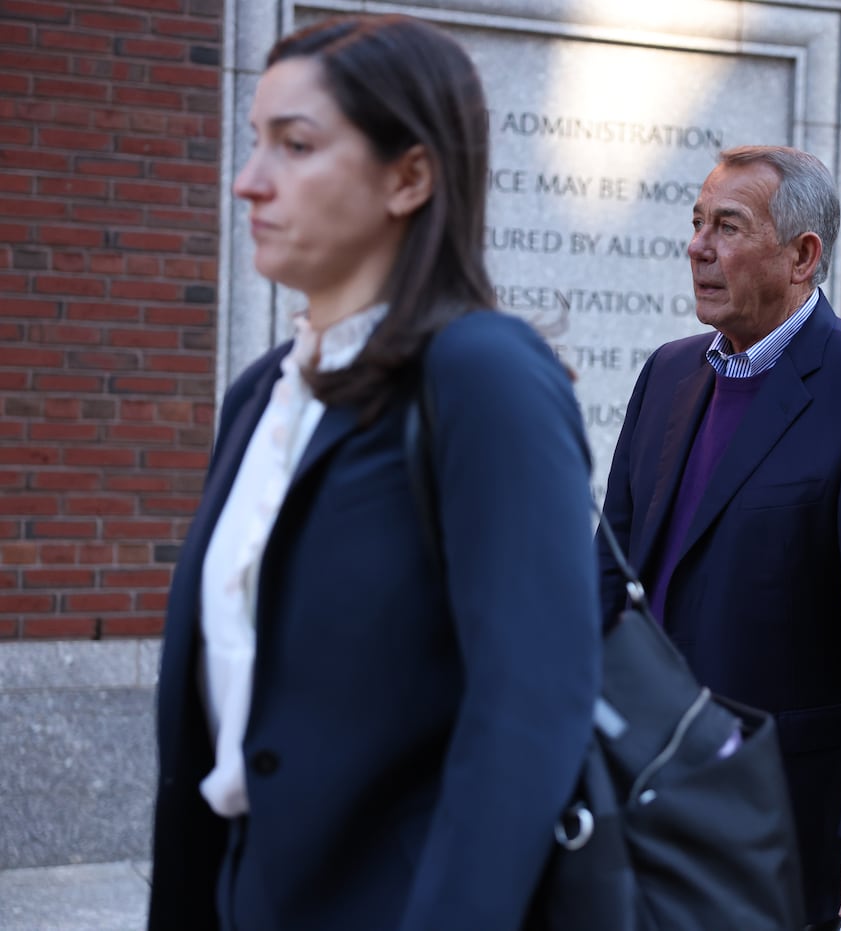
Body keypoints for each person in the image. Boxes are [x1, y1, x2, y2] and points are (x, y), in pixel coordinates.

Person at [147, 15, 600, 931]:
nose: (249, 181)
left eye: (296, 144)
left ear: (410, 176)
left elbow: (529, 712)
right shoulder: (261, 396)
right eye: (254, 142)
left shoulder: (483, 375)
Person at [596, 145, 841, 931]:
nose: (698, 246)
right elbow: (609, 572)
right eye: (697, 223)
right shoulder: (666, 373)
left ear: (802, 255)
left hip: (779, 810)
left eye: (727, 226)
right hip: (634, 786)